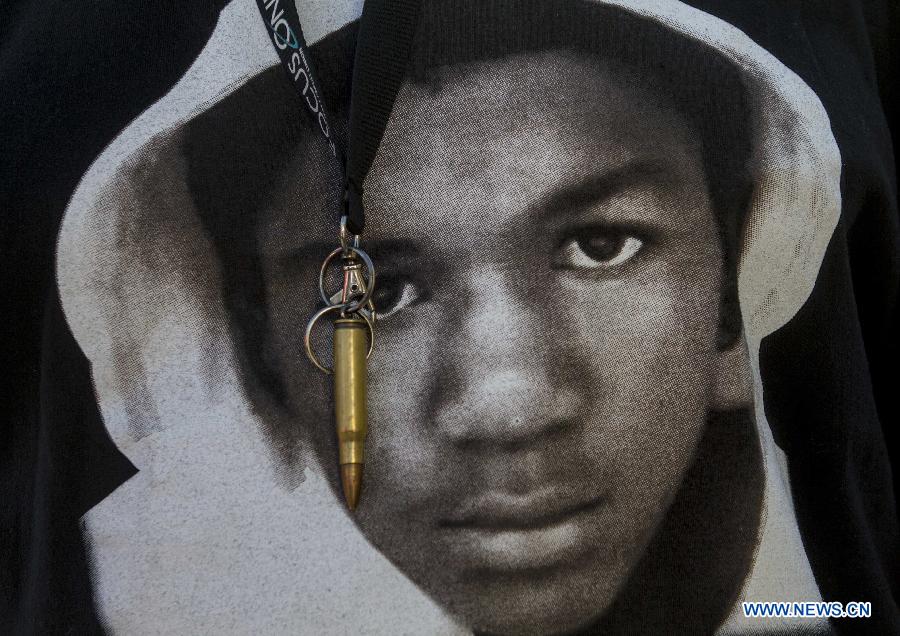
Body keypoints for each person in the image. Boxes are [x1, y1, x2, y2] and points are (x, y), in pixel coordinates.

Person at [5, 0, 897, 634]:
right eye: (377, 294)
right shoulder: (127, 593)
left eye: (601, 246)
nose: (507, 407)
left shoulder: (813, 602)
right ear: (257, 355)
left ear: (737, 276)